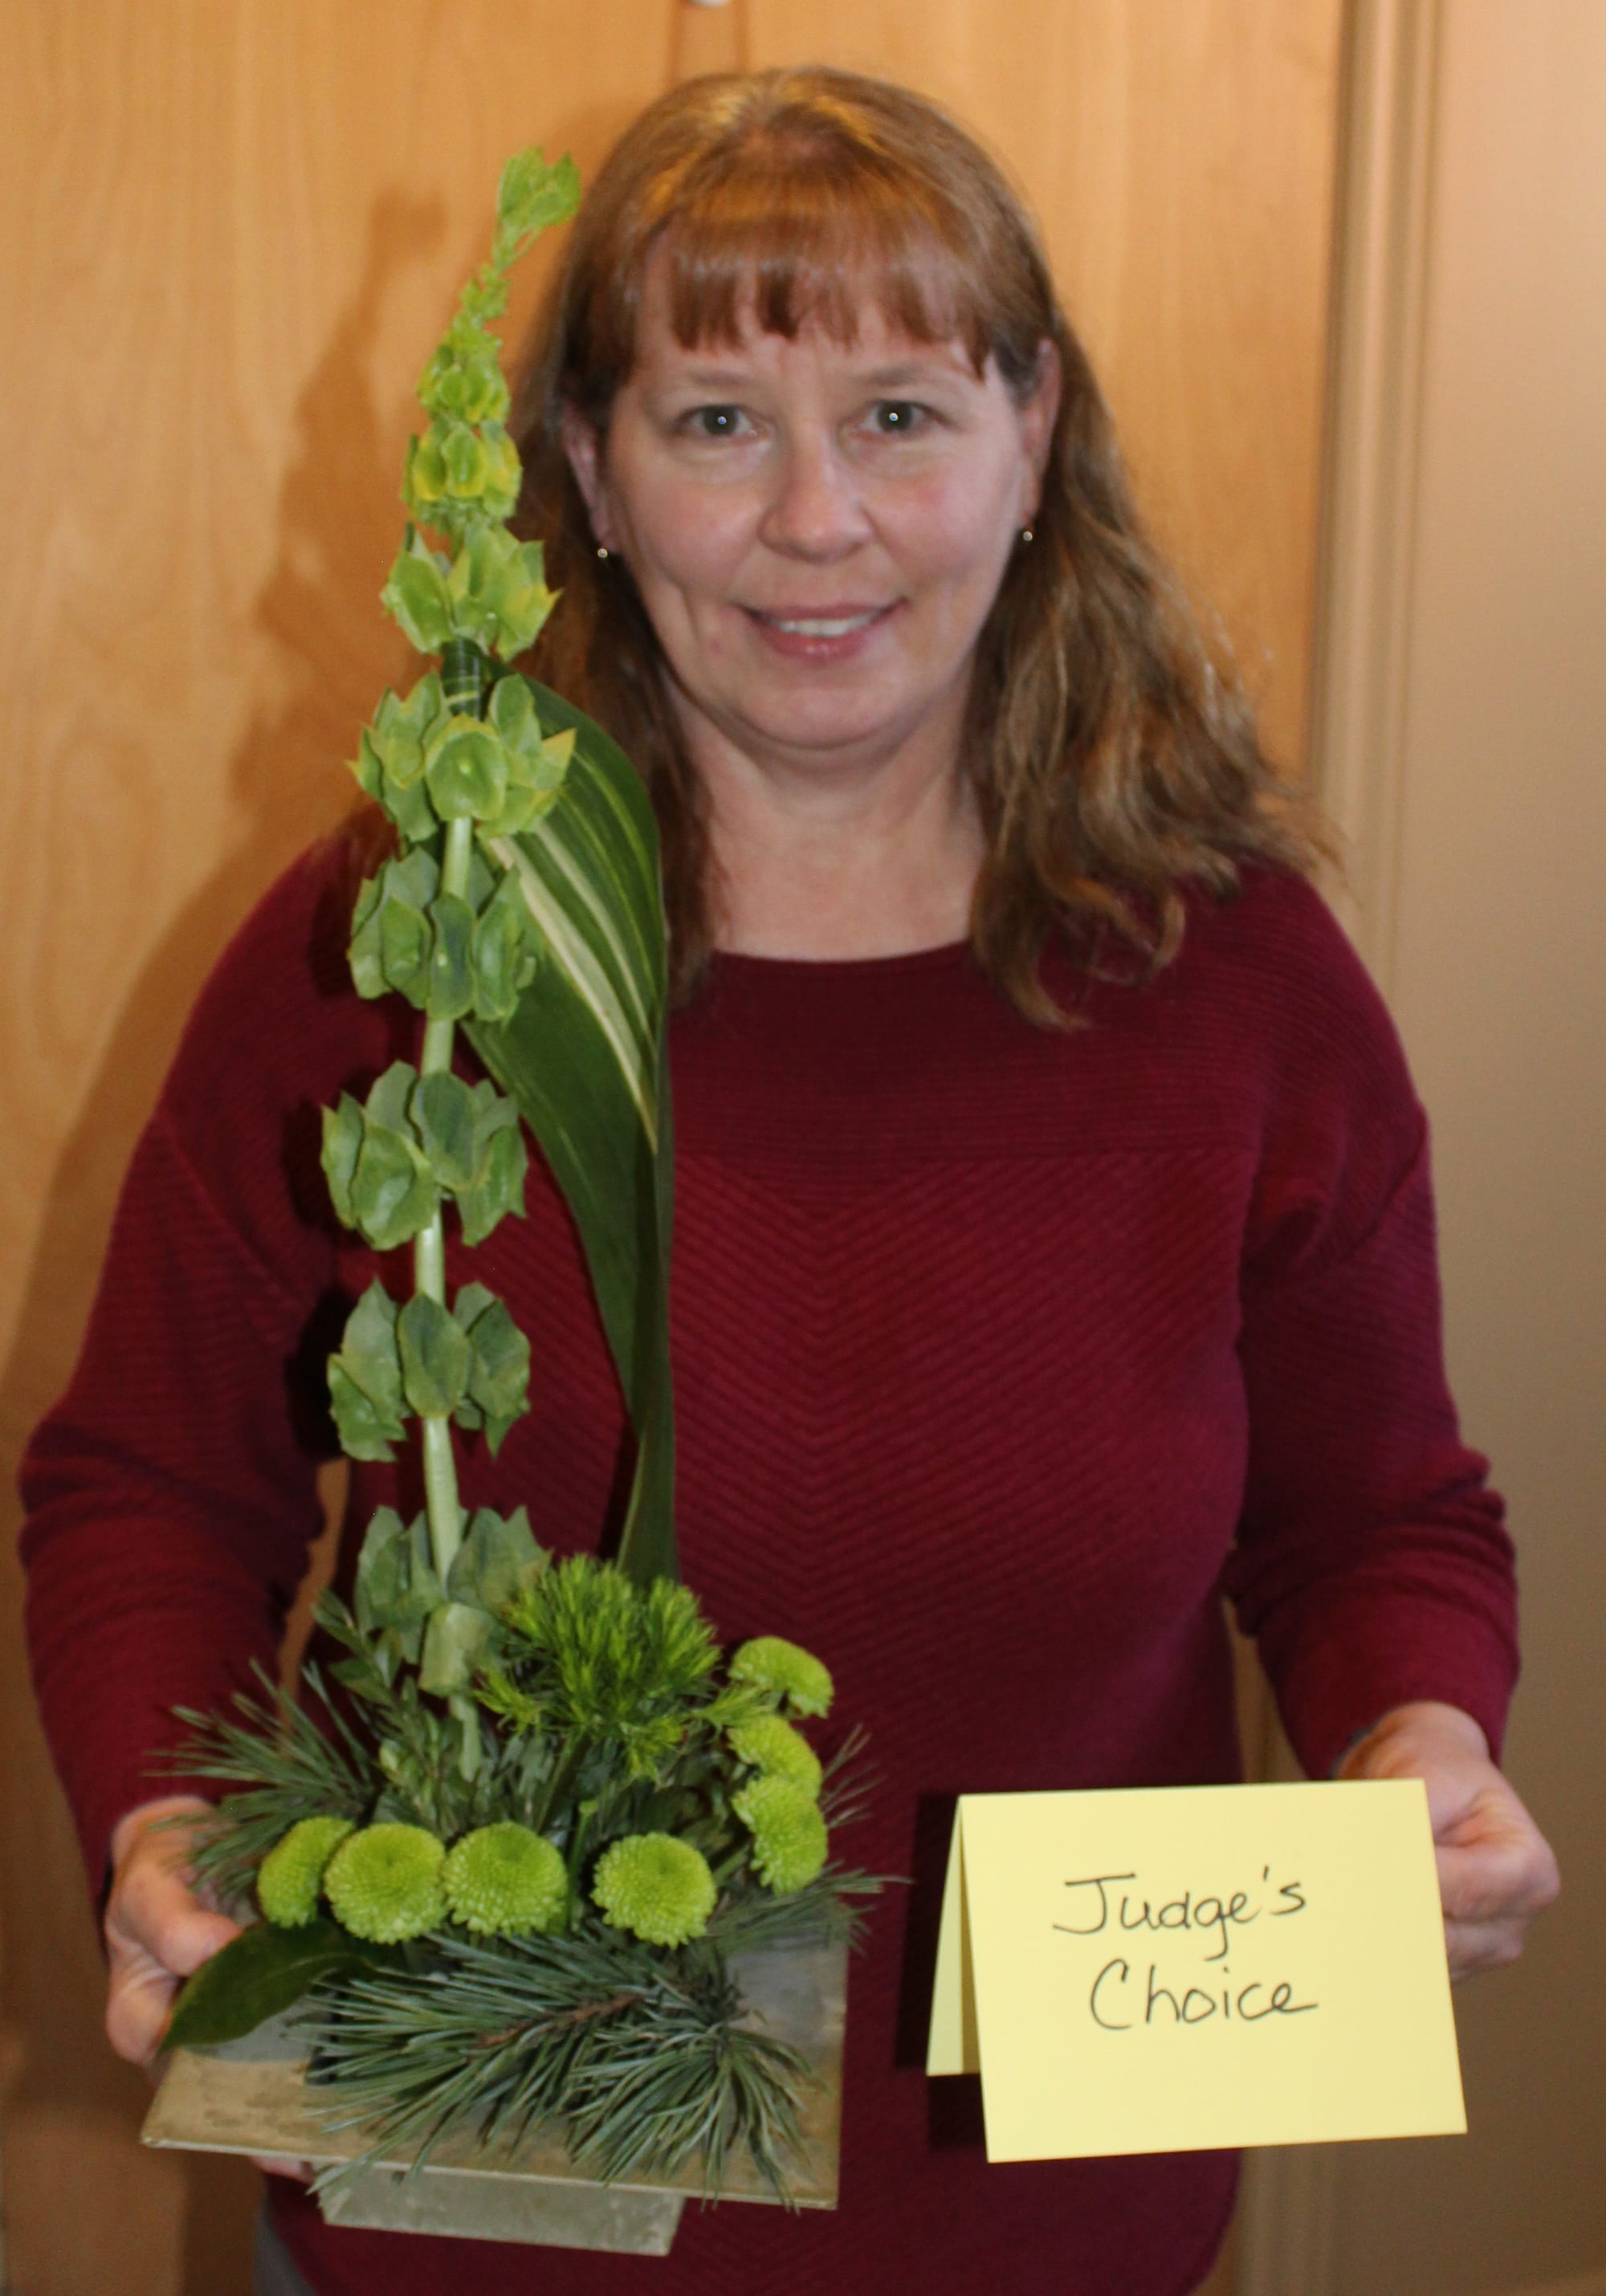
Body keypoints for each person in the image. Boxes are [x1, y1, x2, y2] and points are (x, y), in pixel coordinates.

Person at [21, 67, 1557, 2296]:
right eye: (720, 420)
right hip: (475, 2218)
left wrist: (1418, 1731)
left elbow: (1377, 1514)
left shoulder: (1232, 975)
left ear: (1036, 438)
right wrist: (164, 1829)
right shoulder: (413, 948)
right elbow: (150, 1482)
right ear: (588, 474)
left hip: (1053, 2226)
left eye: (907, 416)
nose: (817, 519)